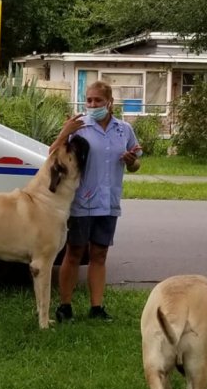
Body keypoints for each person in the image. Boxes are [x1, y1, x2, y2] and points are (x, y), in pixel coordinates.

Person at [49, 81, 142, 322]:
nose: (92, 105)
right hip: (82, 201)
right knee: (74, 252)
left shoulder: (124, 130)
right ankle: (65, 306)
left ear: (109, 102)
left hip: (108, 202)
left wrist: (131, 161)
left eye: (97, 101)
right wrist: (65, 132)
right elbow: (51, 156)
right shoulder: (79, 128)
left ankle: (96, 308)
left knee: (99, 254)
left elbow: (136, 164)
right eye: (88, 100)